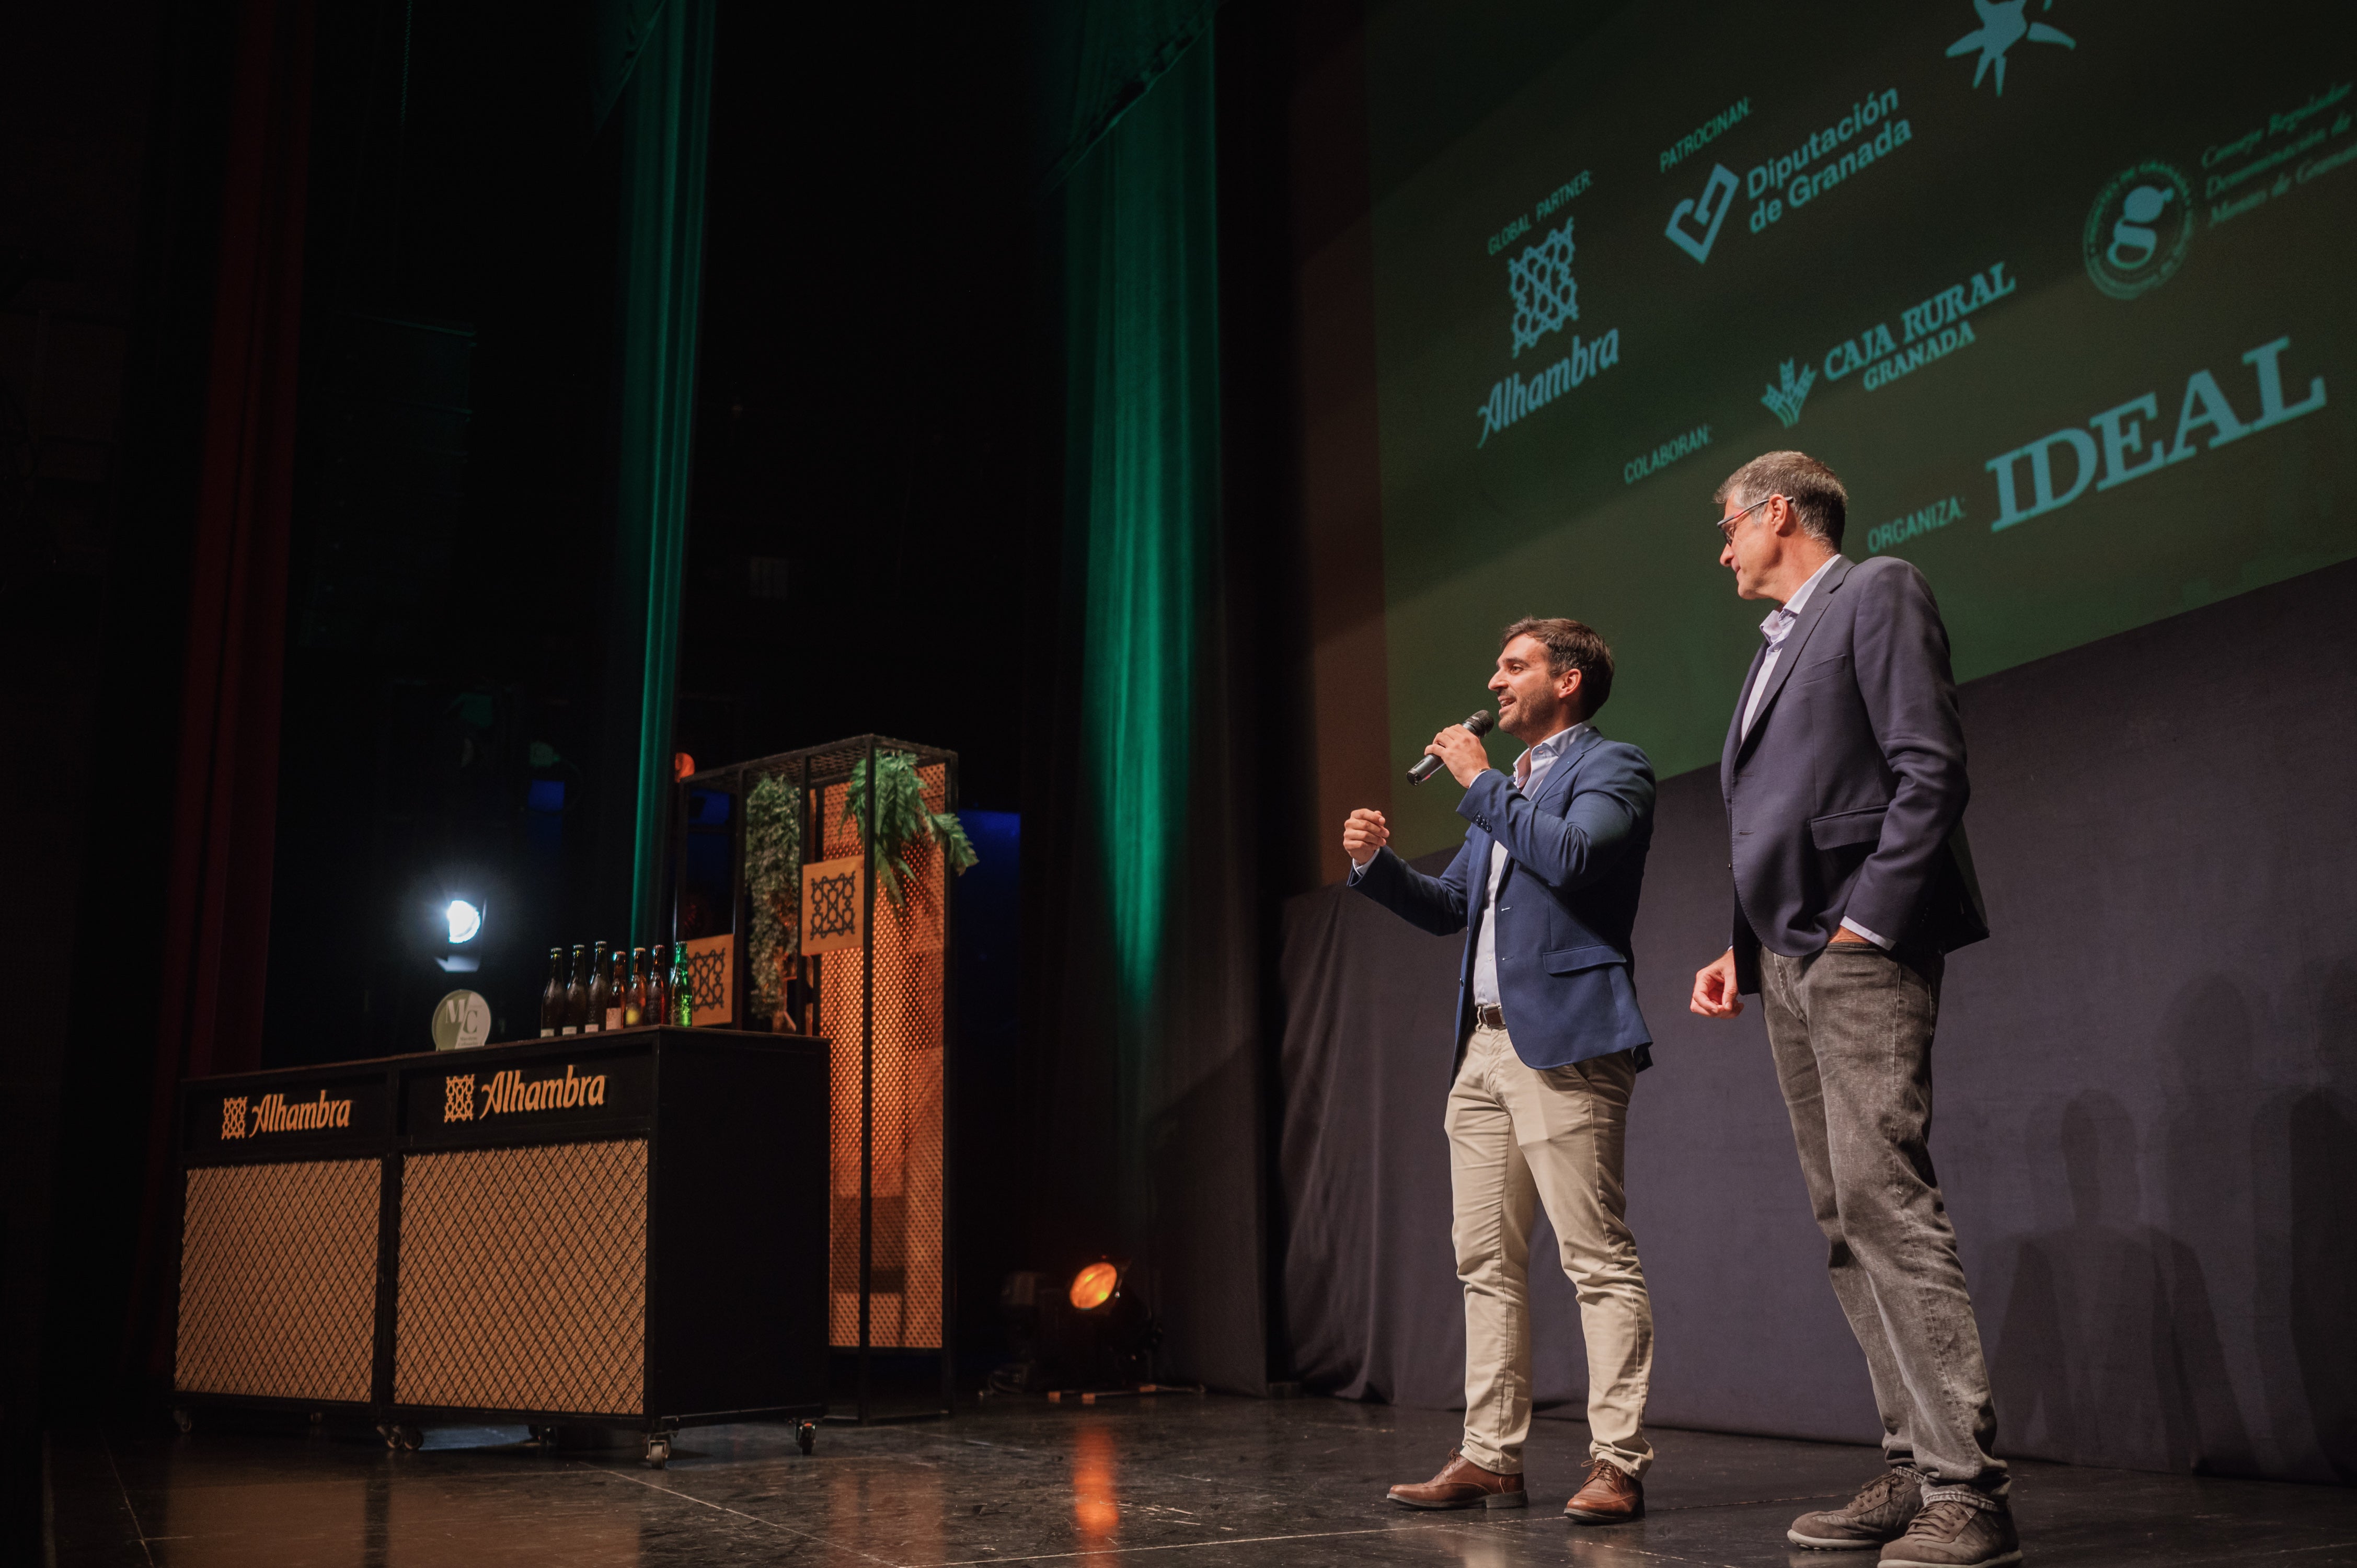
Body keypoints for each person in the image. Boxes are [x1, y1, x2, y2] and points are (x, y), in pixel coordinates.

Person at [1686, 452, 2011, 1568]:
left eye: (1726, 527)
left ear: (1777, 512)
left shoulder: (1875, 590)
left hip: (1857, 947)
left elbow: (1927, 769)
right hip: (1785, 955)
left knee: (1884, 1200)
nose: (1720, 548)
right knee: (1839, 1219)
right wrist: (1739, 946)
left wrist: (1867, 920)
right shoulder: (1771, 647)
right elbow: (1771, 814)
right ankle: (1910, 1464)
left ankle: (1966, 1489)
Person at [1344, 617, 1657, 1526]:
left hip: (1563, 1040)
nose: (1495, 679)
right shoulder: (1506, 790)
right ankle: (1490, 1455)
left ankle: (1618, 1461)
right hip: (1479, 1049)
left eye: (1513, 666)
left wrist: (1479, 781)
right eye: (1497, 665)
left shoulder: (1613, 768)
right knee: (1484, 1259)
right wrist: (1376, 867)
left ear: (1568, 681)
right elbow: (1453, 909)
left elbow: (1571, 857)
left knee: (1595, 1258)